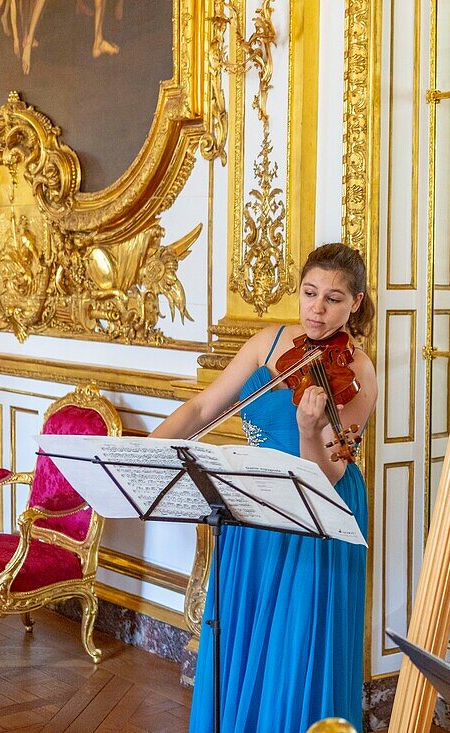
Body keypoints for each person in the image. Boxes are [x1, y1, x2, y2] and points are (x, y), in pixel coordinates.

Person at [151, 243, 377, 731]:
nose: (317, 309)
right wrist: (146, 452)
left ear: (355, 303)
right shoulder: (267, 342)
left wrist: (306, 430)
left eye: (334, 299)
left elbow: (332, 474)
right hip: (251, 502)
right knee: (247, 629)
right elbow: (201, 409)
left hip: (315, 508)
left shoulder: (358, 372)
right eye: (310, 293)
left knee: (296, 641)